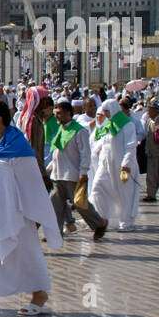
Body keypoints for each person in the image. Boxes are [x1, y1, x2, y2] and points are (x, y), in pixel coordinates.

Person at [0, 98, 63, 317]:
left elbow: (31, 182)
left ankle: (39, 296)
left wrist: (35, 211)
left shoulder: (18, 146)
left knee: (27, 254)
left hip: (16, 214)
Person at [47, 99, 107, 239]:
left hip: (72, 175)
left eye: (59, 113)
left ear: (68, 113)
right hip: (57, 175)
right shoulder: (61, 130)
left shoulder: (79, 131)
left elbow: (85, 154)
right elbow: (57, 153)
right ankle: (56, 233)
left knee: (80, 204)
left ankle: (99, 224)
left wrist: (83, 172)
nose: (56, 116)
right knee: (55, 205)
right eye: (55, 113)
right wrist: (49, 169)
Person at [89, 98, 139, 232]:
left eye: (106, 111)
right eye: (104, 111)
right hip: (105, 166)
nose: (105, 114)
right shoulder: (109, 124)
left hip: (120, 166)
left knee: (123, 194)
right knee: (97, 188)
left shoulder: (127, 125)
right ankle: (101, 218)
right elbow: (104, 141)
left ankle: (125, 221)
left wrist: (126, 162)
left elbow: (130, 145)